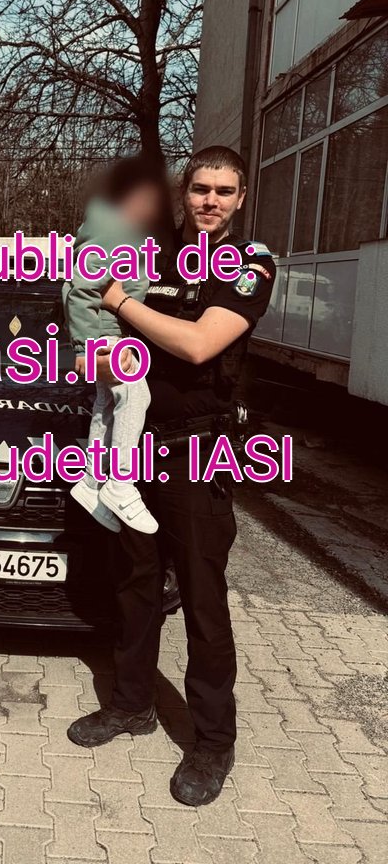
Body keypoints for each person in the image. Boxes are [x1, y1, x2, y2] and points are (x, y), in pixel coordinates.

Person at [67, 147, 276, 808]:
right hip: (134, 449)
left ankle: (212, 741)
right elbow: (94, 342)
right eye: (200, 188)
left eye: (224, 191)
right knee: (134, 585)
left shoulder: (249, 263)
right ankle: (131, 703)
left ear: (241, 198)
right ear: (184, 193)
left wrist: (118, 302)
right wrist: (94, 359)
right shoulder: (149, 255)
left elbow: (197, 344)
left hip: (197, 455)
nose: (210, 200)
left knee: (202, 599)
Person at [63, 155, 173, 534]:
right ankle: (120, 482)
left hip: (109, 332)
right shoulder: (112, 227)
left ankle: (92, 481)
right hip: (104, 333)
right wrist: (85, 347)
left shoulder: (126, 229)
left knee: (107, 404)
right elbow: (80, 291)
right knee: (135, 396)